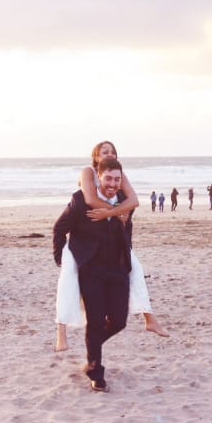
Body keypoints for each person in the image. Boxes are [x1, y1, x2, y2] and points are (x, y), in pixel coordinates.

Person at [54, 140, 168, 353]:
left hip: (111, 250)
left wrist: (114, 213)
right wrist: (114, 211)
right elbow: (89, 199)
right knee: (67, 277)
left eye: (113, 152)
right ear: (96, 157)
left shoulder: (119, 177)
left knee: (136, 269)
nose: (110, 154)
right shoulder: (88, 173)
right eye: (105, 152)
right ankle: (61, 330)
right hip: (81, 247)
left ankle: (148, 318)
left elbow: (132, 202)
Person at [53, 156, 132, 392]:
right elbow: (59, 228)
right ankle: (96, 371)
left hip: (117, 269)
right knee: (95, 321)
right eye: (108, 178)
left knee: (119, 320)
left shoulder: (124, 202)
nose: (112, 183)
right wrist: (62, 260)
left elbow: (127, 231)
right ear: (98, 177)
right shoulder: (80, 201)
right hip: (91, 271)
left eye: (117, 179)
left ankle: (92, 346)